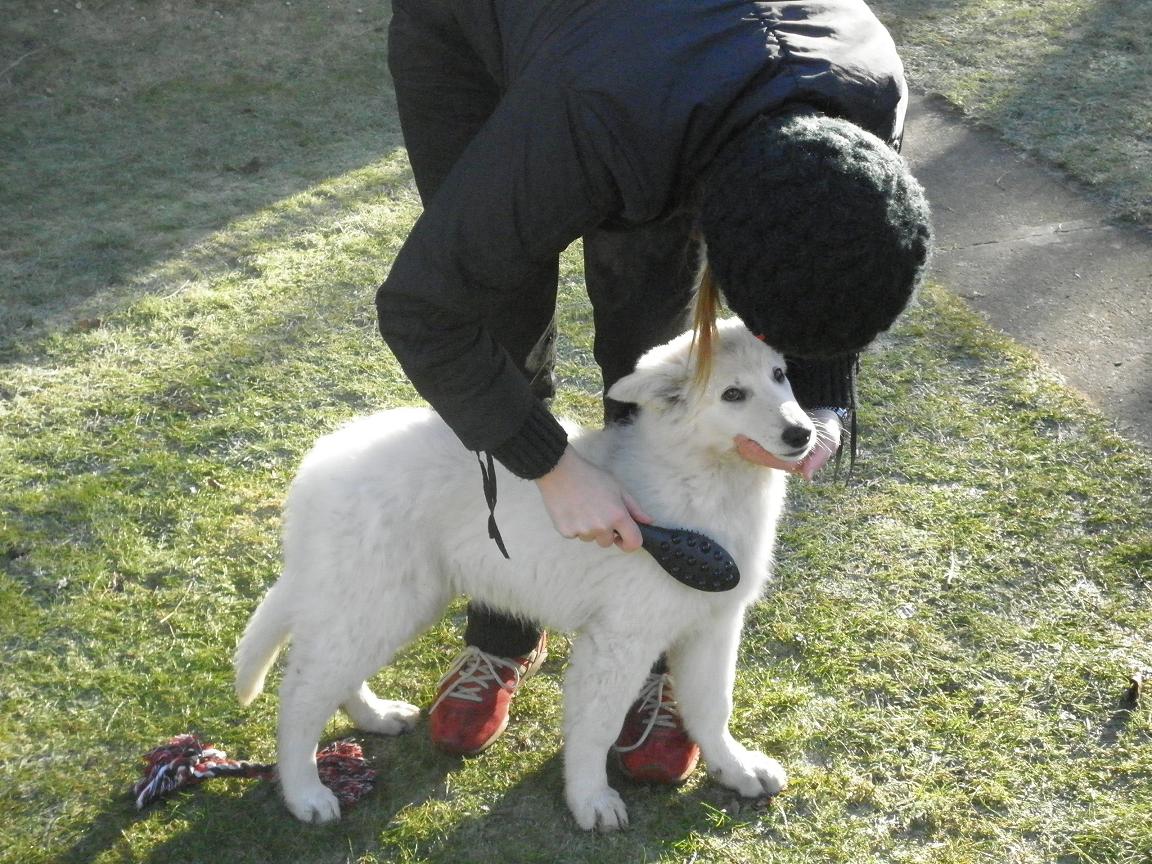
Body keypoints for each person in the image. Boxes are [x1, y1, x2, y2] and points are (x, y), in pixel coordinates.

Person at [377, 0, 932, 783]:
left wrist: (825, 400)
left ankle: (654, 643)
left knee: (647, 341)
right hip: (479, 31)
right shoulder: (595, 114)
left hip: (654, 68)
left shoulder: (865, 92)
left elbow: (840, 261)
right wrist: (553, 468)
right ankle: (505, 622)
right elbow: (425, 309)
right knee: (500, 323)